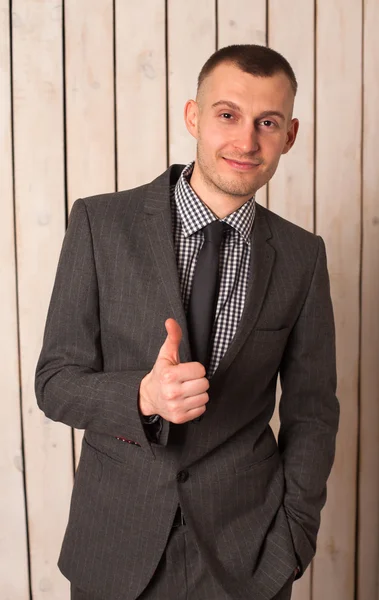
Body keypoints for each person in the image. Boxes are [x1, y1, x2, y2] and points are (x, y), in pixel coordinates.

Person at [35, 44, 339, 600]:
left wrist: (293, 539)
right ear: (193, 116)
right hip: (115, 548)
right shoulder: (100, 224)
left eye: (266, 123)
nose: (247, 142)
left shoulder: (302, 257)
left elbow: (313, 413)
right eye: (227, 115)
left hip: (248, 558)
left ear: (289, 135)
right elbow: (55, 383)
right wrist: (144, 396)